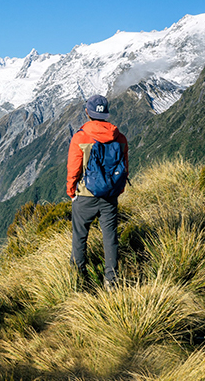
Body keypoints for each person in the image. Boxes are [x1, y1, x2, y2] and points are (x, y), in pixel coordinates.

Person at [66, 94, 128, 288]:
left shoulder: (80, 137)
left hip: (85, 195)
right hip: (110, 195)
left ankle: (78, 279)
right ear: (106, 113)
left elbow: (74, 169)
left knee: (80, 237)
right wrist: (119, 189)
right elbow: (124, 167)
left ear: (87, 112)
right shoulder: (119, 137)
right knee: (110, 237)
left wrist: (71, 191)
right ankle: (111, 280)